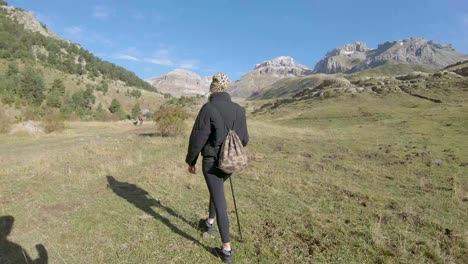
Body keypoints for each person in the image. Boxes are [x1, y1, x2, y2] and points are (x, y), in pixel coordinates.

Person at [186, 73, 249, 263]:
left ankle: (226, 250)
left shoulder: (208, 108)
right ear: (226, 87)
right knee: (216, 192)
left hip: (212, 162)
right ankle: (209, 222)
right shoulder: (239, 109)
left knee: (219, 200)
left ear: (213, 87)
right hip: (229, 162)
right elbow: (244, 139)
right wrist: (229, 151)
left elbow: (198, 138)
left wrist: (191, 160)